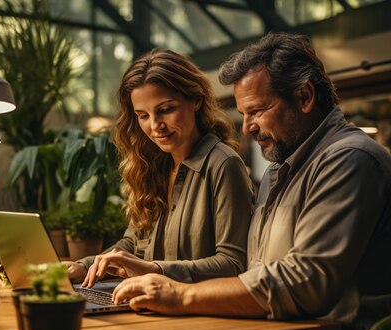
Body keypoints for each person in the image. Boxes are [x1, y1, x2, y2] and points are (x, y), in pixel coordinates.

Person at [112, 33, 391, 330]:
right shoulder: (277, 171)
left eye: (256, 111)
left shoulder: (350, 159)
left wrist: (180, 295)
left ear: (305, 97)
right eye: (243, 115)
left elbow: (304, 282)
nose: (246, 127)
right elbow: (254, 271)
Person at [66, 49, 254, 288]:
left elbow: (233, 264)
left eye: (165, 110)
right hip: (150, 306)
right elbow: (131, 245)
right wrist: (84, 265)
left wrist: (155, 270)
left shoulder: (224, 165)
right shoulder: (151, 166)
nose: (156, 126)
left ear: (195, 100)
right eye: (143, 115)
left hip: (199, 316)